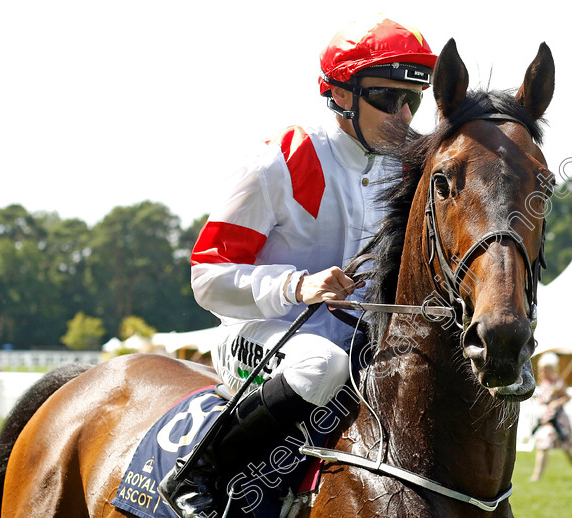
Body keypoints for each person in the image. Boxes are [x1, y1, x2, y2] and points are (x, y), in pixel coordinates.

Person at [158, 17, 437, 518]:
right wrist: (298, 285)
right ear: (341, 94)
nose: (401, 115)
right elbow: (207, 276)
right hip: (262, 333)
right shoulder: (280, 161)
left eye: (411, 100)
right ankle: (200, 471)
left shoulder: (408, 167)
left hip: (359, 341)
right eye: (385, 97)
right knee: (321, 365)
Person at [530, 352, 572, 482]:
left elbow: (566, 397)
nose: (543, 371)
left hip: (558, 420)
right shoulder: (545, 383)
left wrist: (556, 402)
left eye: (546, 369)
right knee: (542, 446)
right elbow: (543, 399)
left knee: (567, 448)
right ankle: (537, 476)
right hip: (547, 420)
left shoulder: (558, 382)